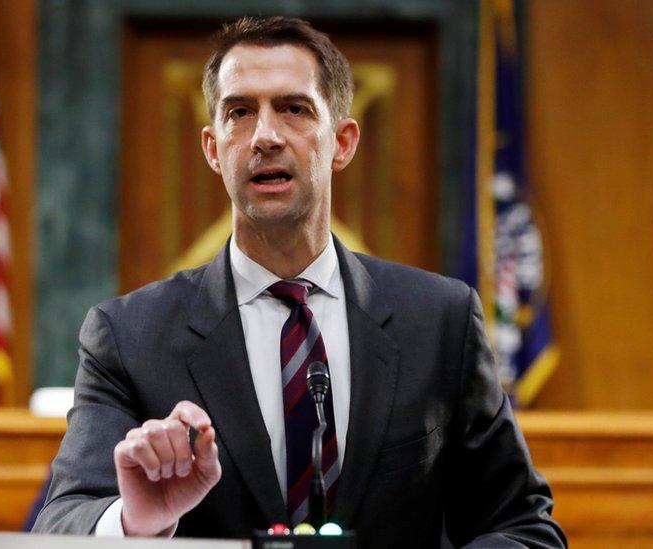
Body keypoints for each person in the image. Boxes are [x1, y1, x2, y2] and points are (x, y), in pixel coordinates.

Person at [33, 16, 566, 548]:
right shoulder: (128, 336)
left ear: (343, 142)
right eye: (239, 113)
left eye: (294, 109)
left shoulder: (440, 321)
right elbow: (61, 524)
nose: (265, 136)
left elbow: (523, 527)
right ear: (213, 149)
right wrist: (135, 520)